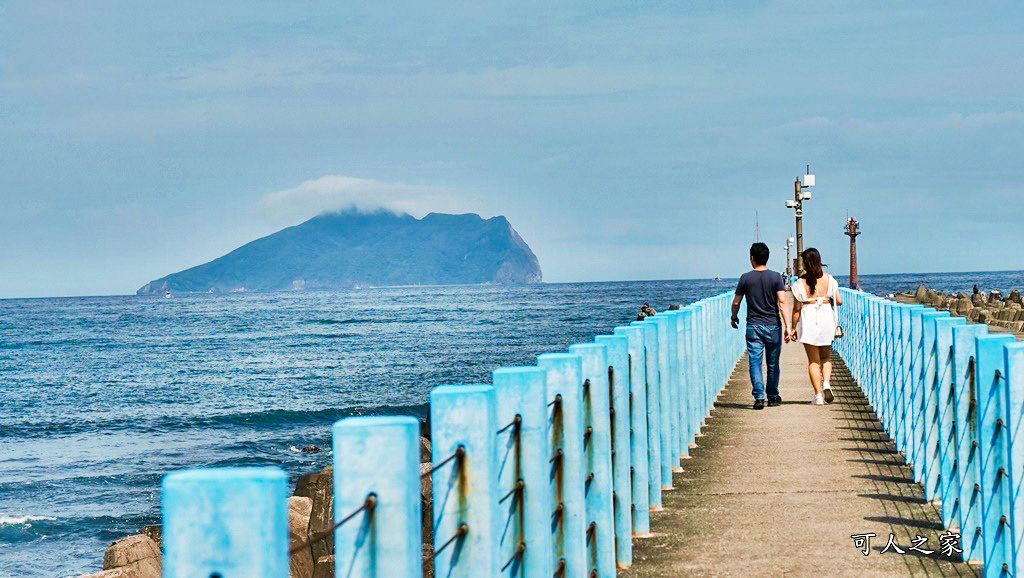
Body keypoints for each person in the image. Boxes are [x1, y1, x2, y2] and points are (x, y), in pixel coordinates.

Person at [731, 242, 791, 410]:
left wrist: (734, 317)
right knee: (773, 363)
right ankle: (772, 396)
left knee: (755, 362)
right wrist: (788, 326)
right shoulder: (776, 277)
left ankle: (759, 397)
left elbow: (736, 302)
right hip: (773, 326)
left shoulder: (745, 278)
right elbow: (782, 301)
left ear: (752, 258)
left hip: (753, 326)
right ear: (767, 258)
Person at [789, 247, 842, 405]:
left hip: (809, 317)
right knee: (826, 357)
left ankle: (818, 395)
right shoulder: (829, 279)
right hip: (826, 315)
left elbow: (796, 310)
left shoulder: (799, 283)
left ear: (804, 264)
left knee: (813, 361)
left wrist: (792, 328)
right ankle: (826, 383)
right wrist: (826, 299)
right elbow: (839, 301)